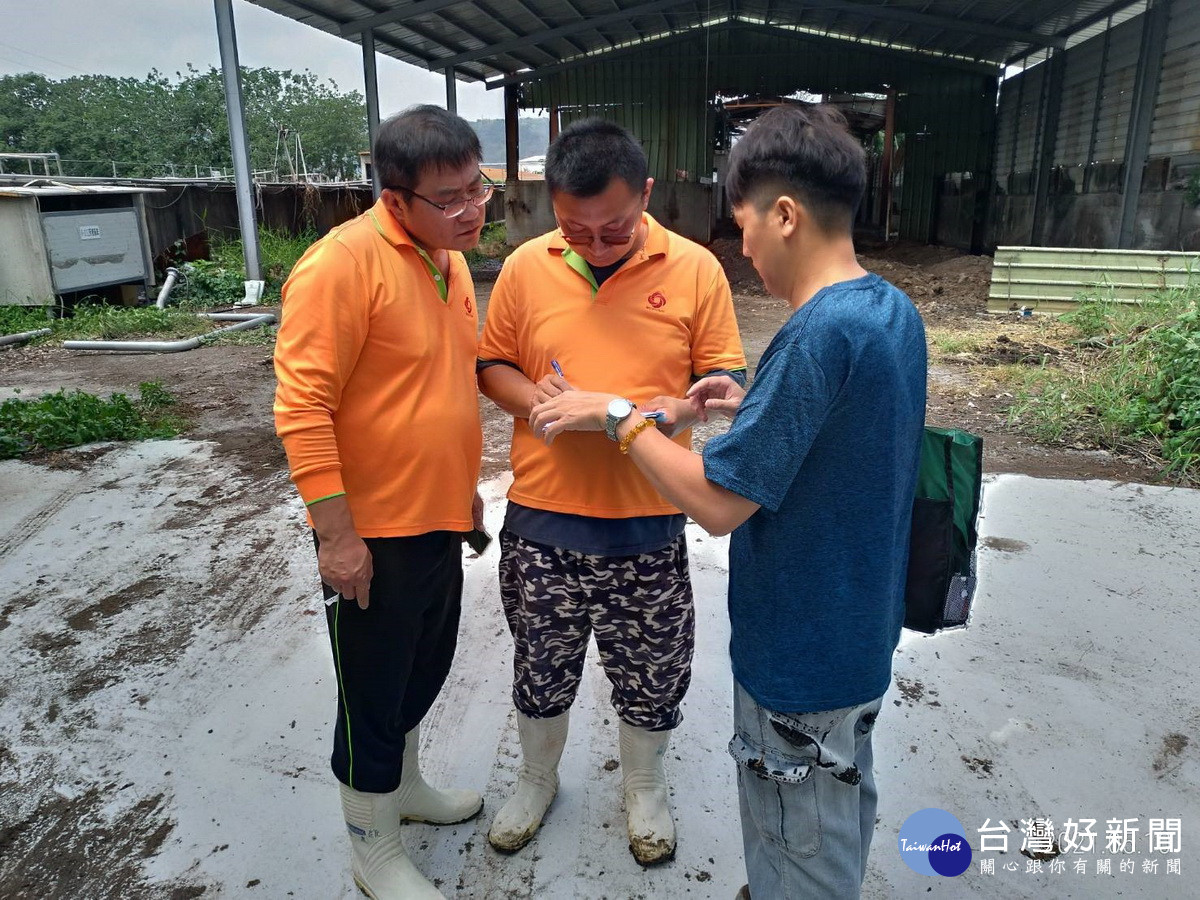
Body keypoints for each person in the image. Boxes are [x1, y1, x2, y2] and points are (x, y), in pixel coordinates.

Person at [528, 103, 928, 898]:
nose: (742, 250)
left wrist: (616, 417)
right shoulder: (888, 311)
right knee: (833, 801)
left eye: (744, 226)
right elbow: (837, 438)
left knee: (796, 822)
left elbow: (716, 505)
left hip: (801, 655)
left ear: (784, 215)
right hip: (857, 631)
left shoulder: (817, 333)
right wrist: (750, 406)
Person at [476, 118, 746, 865]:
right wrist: (542, 404)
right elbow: (492, 362)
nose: (595, 243)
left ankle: (645, 785)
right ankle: (536, 779)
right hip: (543, 523)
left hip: (648, 522)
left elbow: (722, 384)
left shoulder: (695, 269)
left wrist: (641, 413)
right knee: (541, 665)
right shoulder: (529, 266)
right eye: (576, 228)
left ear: (647, 196)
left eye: (614, 229)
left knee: (652, 672)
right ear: (551, 209)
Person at [273, 105, 492, 900]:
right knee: (370, 691)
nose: (471, 210)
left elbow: (434, 389)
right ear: (394, 198)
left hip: (436, 520)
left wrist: (464, 490)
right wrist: (337, 538)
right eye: (450, 197)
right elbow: (301, 409)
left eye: (479, 187)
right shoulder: (340, 267)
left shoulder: (448, 261)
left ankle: (403, 790)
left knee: (418, 671)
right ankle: (372, 849)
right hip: (371, 535)